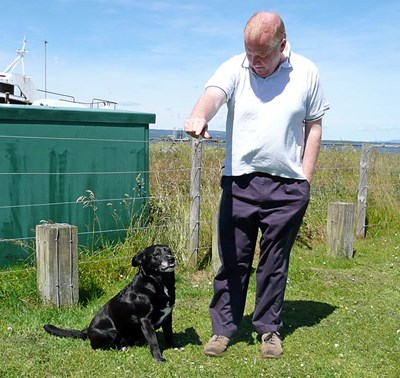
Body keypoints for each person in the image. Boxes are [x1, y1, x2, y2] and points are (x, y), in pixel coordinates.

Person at [184, 11, 329, 358]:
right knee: (232, 260)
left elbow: (314, 127)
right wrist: (199, 114)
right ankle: (223, 330)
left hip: (288, 187)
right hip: (240, 184)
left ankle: (269, 331)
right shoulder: (235, 67)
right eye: (249, 53)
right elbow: (214, 95)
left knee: (274, 262)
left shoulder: (307, 72)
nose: (254, 62)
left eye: (262, 55)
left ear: (282, 45)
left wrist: (304, 181)